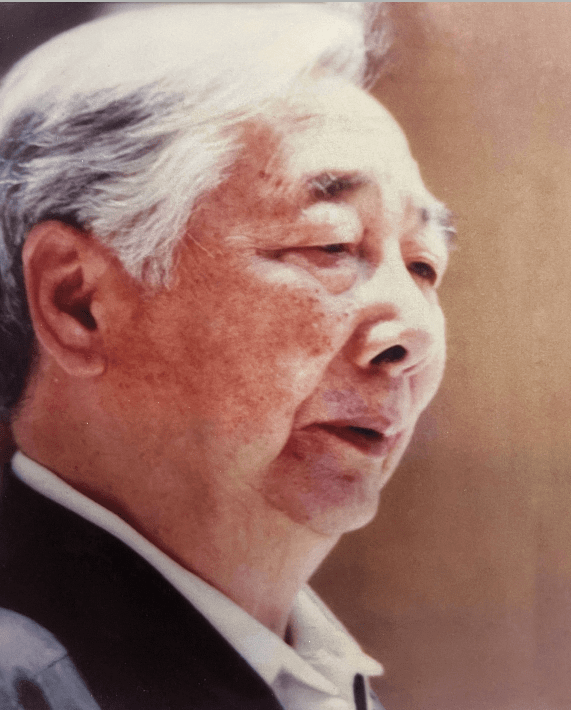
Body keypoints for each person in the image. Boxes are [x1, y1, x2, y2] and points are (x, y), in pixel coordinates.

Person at [0, 4, 453, 709]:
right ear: (77, 302)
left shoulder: (321, 678)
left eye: (424, 265)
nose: (414, 333)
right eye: (331, 244)